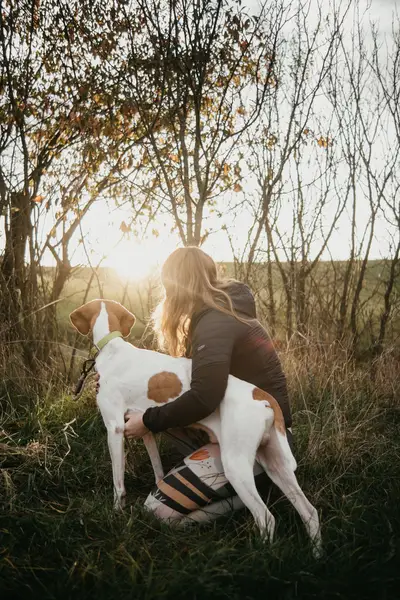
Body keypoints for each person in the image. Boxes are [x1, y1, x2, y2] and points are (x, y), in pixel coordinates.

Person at [124, 247, 293, 523]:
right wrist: (117, 383)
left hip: (258, 446)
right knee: (168, 412)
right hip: (240, 431)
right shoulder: (218, 312)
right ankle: (244, 485)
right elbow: (182, 380)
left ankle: (258, 495)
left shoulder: (216, 322)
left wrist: (148, 421)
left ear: (176, 286)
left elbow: (205, 395)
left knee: (157, 512)